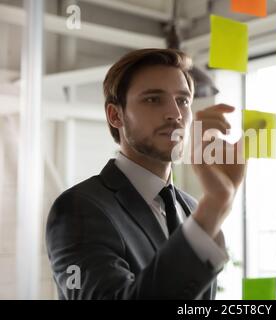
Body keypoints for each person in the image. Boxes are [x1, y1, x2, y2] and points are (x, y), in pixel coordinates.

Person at [46, 48, 247, 299]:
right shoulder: (76, 210)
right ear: (115, 115)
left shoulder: (194, 209)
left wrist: (217, 201)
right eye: (153, 99)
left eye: (183, 100)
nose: (175, 114)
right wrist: (216, 203)